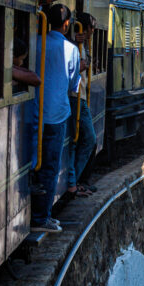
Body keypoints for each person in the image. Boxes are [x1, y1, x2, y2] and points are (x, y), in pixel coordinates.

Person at [30, 3, 80, 233]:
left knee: (32, 164)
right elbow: (73, 85)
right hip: (56, 114)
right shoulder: (71, 50)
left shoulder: (35, 43)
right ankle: (42, 217)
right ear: (67, 24)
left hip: (31, 111)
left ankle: (32, 213)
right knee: (49, 167)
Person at [67, 14, 98, 197]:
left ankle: (77, 181)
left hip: (81, 96)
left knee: (83, 140)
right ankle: (75, 181)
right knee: (88, 139)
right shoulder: (73, 45)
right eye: (92, 29)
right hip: (75, 96)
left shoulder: (83, 44)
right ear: (85, 28)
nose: (93, 32)